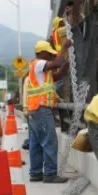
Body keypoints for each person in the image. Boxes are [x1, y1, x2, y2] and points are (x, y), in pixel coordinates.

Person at [24, 40, 72, 183]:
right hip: (41, 109)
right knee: (49, 141)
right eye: (49, 54)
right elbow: (56, 64)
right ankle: (50, 174)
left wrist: (65, 68)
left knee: (36, 143)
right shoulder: (38, 64)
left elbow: (54, 76)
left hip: (34, 110)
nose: (51, 57)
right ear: (42, 53)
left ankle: (36, 173)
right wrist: (64, 48)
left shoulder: (39, 70)